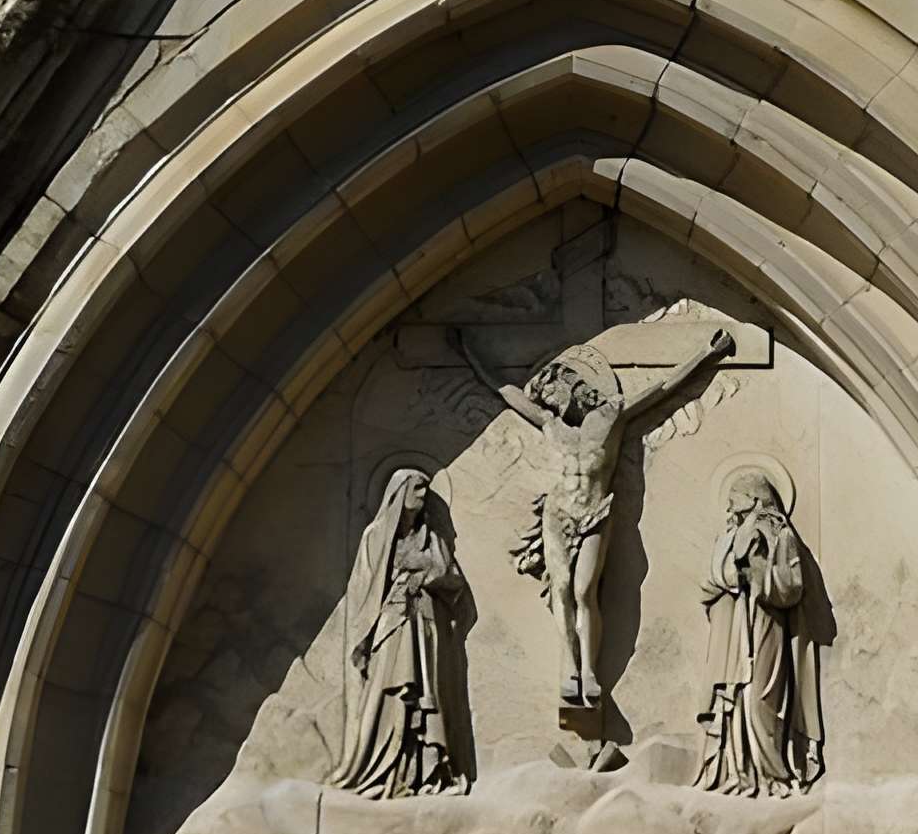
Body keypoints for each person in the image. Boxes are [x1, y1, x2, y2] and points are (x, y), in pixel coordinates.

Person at [476, 325, 735, 714]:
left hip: (595, 513)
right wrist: (470, 356)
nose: (548, 401)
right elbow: (508, 394)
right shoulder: (553, 426)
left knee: (584, 592)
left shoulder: (611, 418)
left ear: (571, 386)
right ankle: (570, 668)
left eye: (551, 392)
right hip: (558, 513)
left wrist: (707, 354)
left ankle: (590, 672)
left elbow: (664, 388)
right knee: (561, 591)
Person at [328, 467, 466, 798]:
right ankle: (380, 767)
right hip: (391, 624)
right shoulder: (376, 537)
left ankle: (423, 772)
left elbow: (452, 578)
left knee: (424, 696)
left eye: (427, 488)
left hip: (425, 623)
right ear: (399, 492)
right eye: (418, 487)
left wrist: (426, 570)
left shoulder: (431, 539)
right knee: (390, 693)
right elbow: (365, 589)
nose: (423, 494)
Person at [694, 467, 823, 796]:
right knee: (733, 700)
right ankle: (738, 774)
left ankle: (772, 775)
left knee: (759, 698)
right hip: (733, 629)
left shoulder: (781, 534)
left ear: (753, 498)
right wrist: (732, 577)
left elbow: (792, 586)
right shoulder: (725, 537)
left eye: (734, 497)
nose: (728, 506)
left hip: (765, 624)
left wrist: (758, 576)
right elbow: (708, 584)